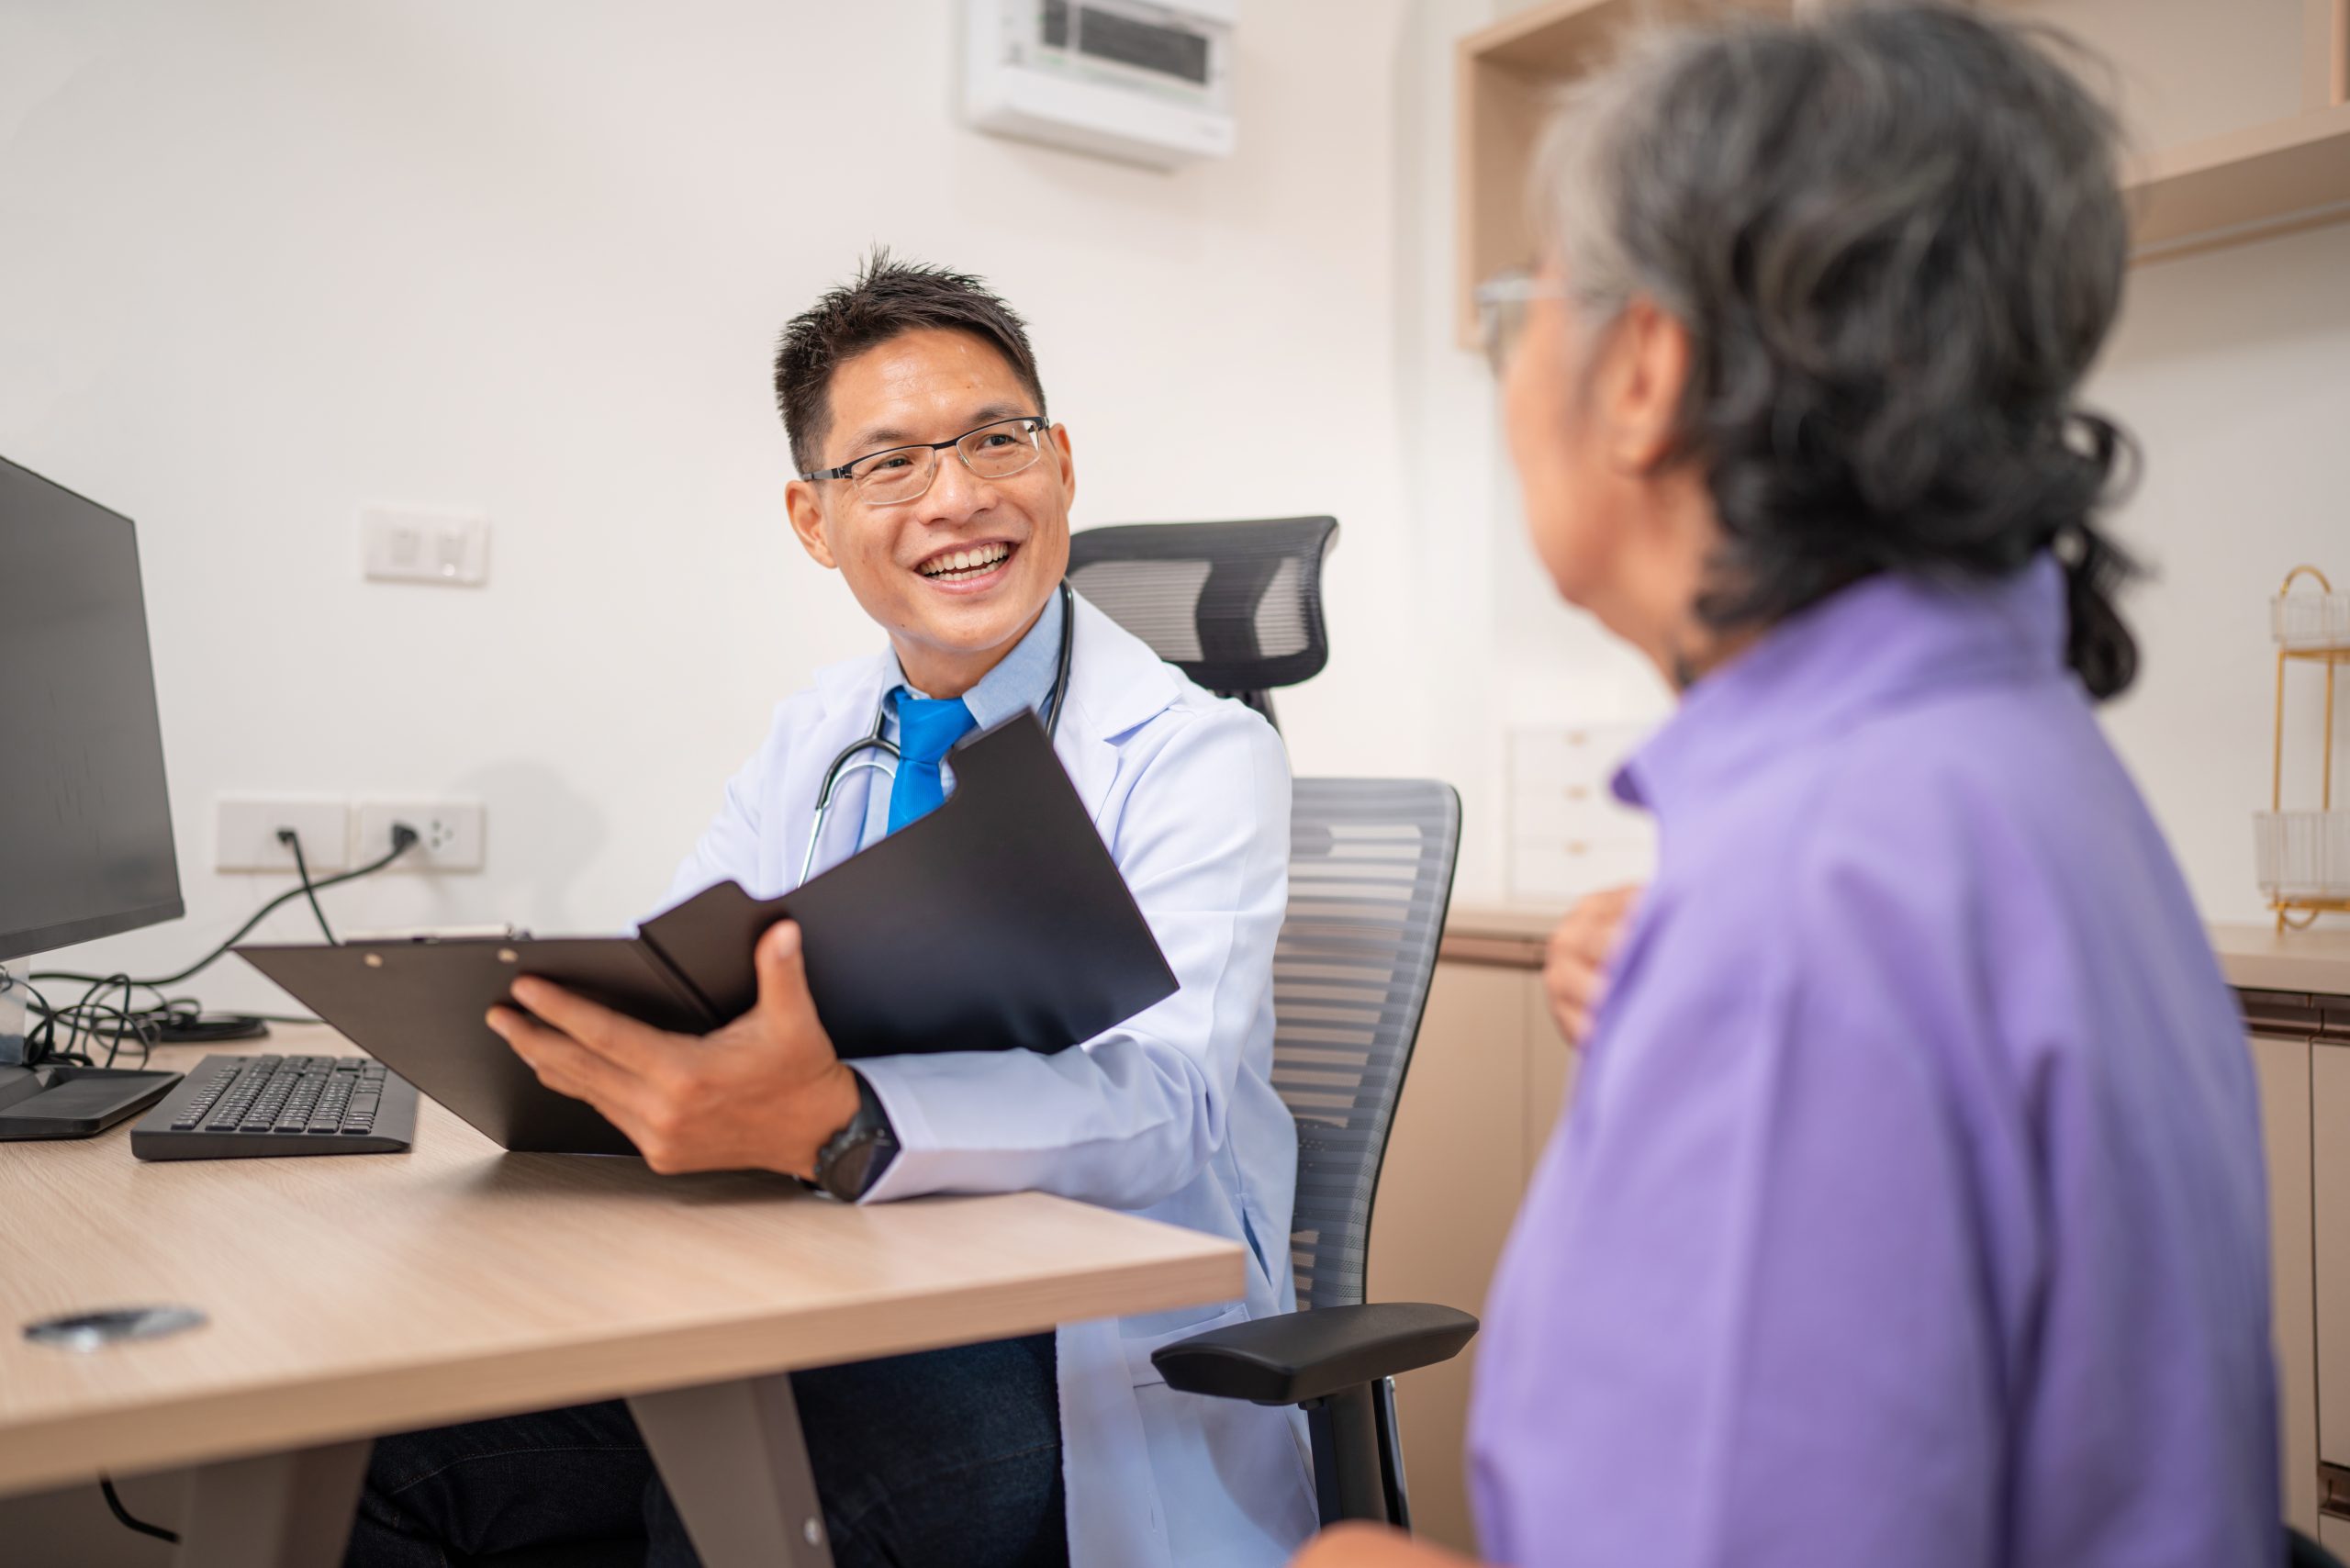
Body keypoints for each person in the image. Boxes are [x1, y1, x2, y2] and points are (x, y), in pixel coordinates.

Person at [1298, 6, 2277, 1566]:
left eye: (1526, 304)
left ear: (1646, 375)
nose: (1510, 364)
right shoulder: (2011, 768)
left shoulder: (1815, 890)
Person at [347, 254, 1317, 1568]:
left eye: (996, 438)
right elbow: (688, 975)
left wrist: (848, 1125)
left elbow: (1176, 1101)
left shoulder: (1195, 755)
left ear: (1063, 462)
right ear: (812, 519)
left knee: (731, 1514)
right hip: (820, 1285)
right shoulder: (812, 738)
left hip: (1049, 1342)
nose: (961, 495)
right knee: (388, 1465)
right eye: (891, 463)